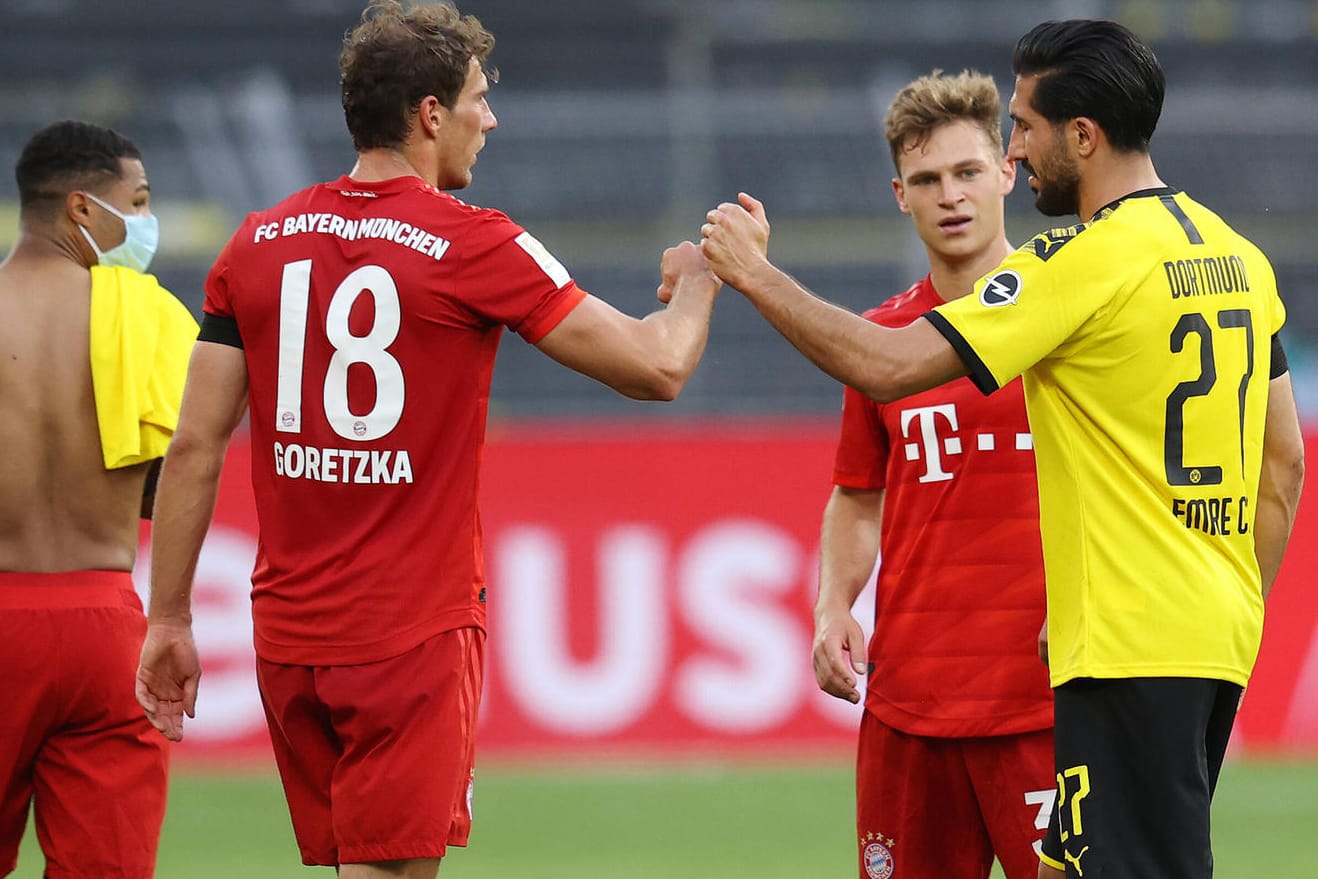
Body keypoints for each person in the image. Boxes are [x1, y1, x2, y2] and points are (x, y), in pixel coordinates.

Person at [701, 19, 1304, 879]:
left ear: (1083, 136)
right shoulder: (1236, 255)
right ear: (899, 193)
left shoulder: (1076, 267)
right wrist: (1236, 615)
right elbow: (1282, 462)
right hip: (1202, 643)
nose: (1016, 152)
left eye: (1021, 130)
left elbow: (889, 364)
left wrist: (756, 274)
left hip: (1116, 656)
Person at [134, 2, 720, 878]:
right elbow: (657, 366)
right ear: (430, 113)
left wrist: (170, 616)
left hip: (289, 643)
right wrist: (703, 282)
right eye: (480, 97)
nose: (493, 117)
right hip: (409, 639)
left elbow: (194, 445)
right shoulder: (475, 242)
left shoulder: (255, 243)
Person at [812, 70, 1054, 879]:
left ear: (1008, 174)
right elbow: (856, 491)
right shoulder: (877, 342)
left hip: (1046, 702)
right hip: (910, 704)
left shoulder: (1073, 319)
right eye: (927, 180)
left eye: (967, 172)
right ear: (899, 196)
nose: (950, 196)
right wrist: (833, 604)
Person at [0, 121, 197, 878]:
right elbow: (174, 474)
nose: (147, 223)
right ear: (82, 208)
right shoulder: (150, 321)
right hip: (107, 630)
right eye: (138, 202)